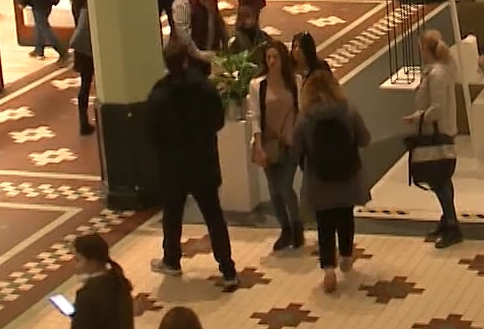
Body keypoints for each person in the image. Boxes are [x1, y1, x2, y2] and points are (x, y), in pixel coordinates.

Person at [147, 52, 239, 288]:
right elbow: (218, 121)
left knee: (172, 216)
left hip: (172, 167)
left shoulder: (159, 95)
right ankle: (228, 269)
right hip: (203, 163)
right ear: (186, 61)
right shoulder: (204, 89)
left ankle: (172, 260)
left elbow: (151, 134)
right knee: (214, 216)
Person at [296, 61, 372, 293]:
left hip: (319, 179)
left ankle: (328, 269)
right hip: (347, 177)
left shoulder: (305, 119)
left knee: (324, 225)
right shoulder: (348, 110)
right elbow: (365, 139)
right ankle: (347, 256)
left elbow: (296, 150)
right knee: (345, 217)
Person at [407, 30, 464, 248]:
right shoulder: (438, 71)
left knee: (439, 178)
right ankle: (447, 219)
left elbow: (437, 109)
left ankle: (452, 224)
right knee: (440, 178)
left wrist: (416, 118)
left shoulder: (437, 75)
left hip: (437, 133)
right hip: (436, 131)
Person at [250, 42, 304, 256]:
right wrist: (258, 144)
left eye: (275, 57)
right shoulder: (257, 85)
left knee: (284, 186)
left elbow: (299, 110)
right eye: (268, 57)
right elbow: (254, 116)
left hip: (290, 143)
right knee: (274, 190)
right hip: (269, 144)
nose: (271, 62)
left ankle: (296, 225)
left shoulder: (295, 82)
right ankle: (286, 228)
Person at [168, 0, 226, 76]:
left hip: (206, 56)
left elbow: (217, 19)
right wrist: (198, 54)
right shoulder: (183, 1)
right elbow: (183, 34)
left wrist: (224, 40)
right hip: (189, 60)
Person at [70, 0, 96, 135]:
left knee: (85, 85)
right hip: (92, 46)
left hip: (82, 49)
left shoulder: (76, 2)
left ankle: (83, 120)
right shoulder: (89, 6)